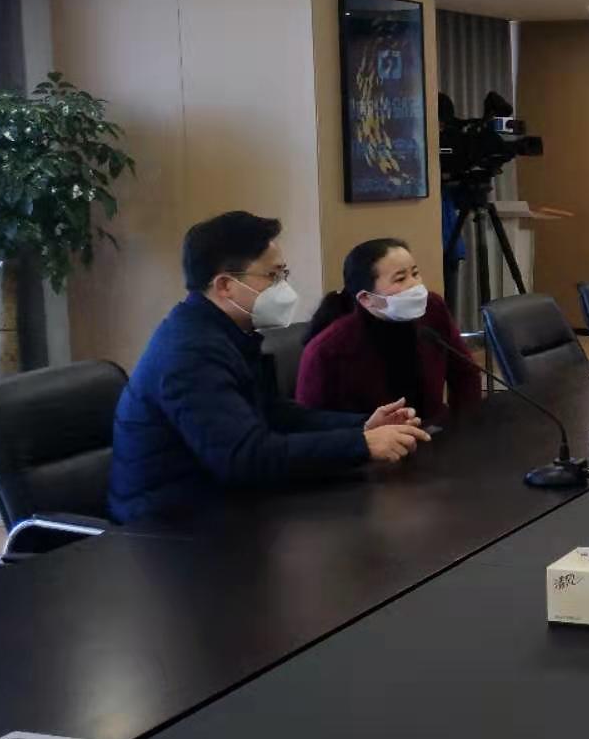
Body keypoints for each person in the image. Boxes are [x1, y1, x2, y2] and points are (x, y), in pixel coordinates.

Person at [108, 212, 430, 523]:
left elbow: (274, 413)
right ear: (225, 285)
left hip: (224, 504)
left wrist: (362, 427)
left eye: (283, 274)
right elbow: (244, 456)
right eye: (273, 276)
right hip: (168, 526)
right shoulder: (189, 353)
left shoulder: (226, 333)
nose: (283, 287)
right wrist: (360, 445)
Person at [296, 238, 481, 422]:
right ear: (366, 299)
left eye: (415, 273)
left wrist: (465, 426)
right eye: (400, 279)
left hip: (435, 432)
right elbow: (310, 424)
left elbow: (465, 374)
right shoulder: (327, 351)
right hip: (368, 438)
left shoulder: (432, 309)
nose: (414, 285)